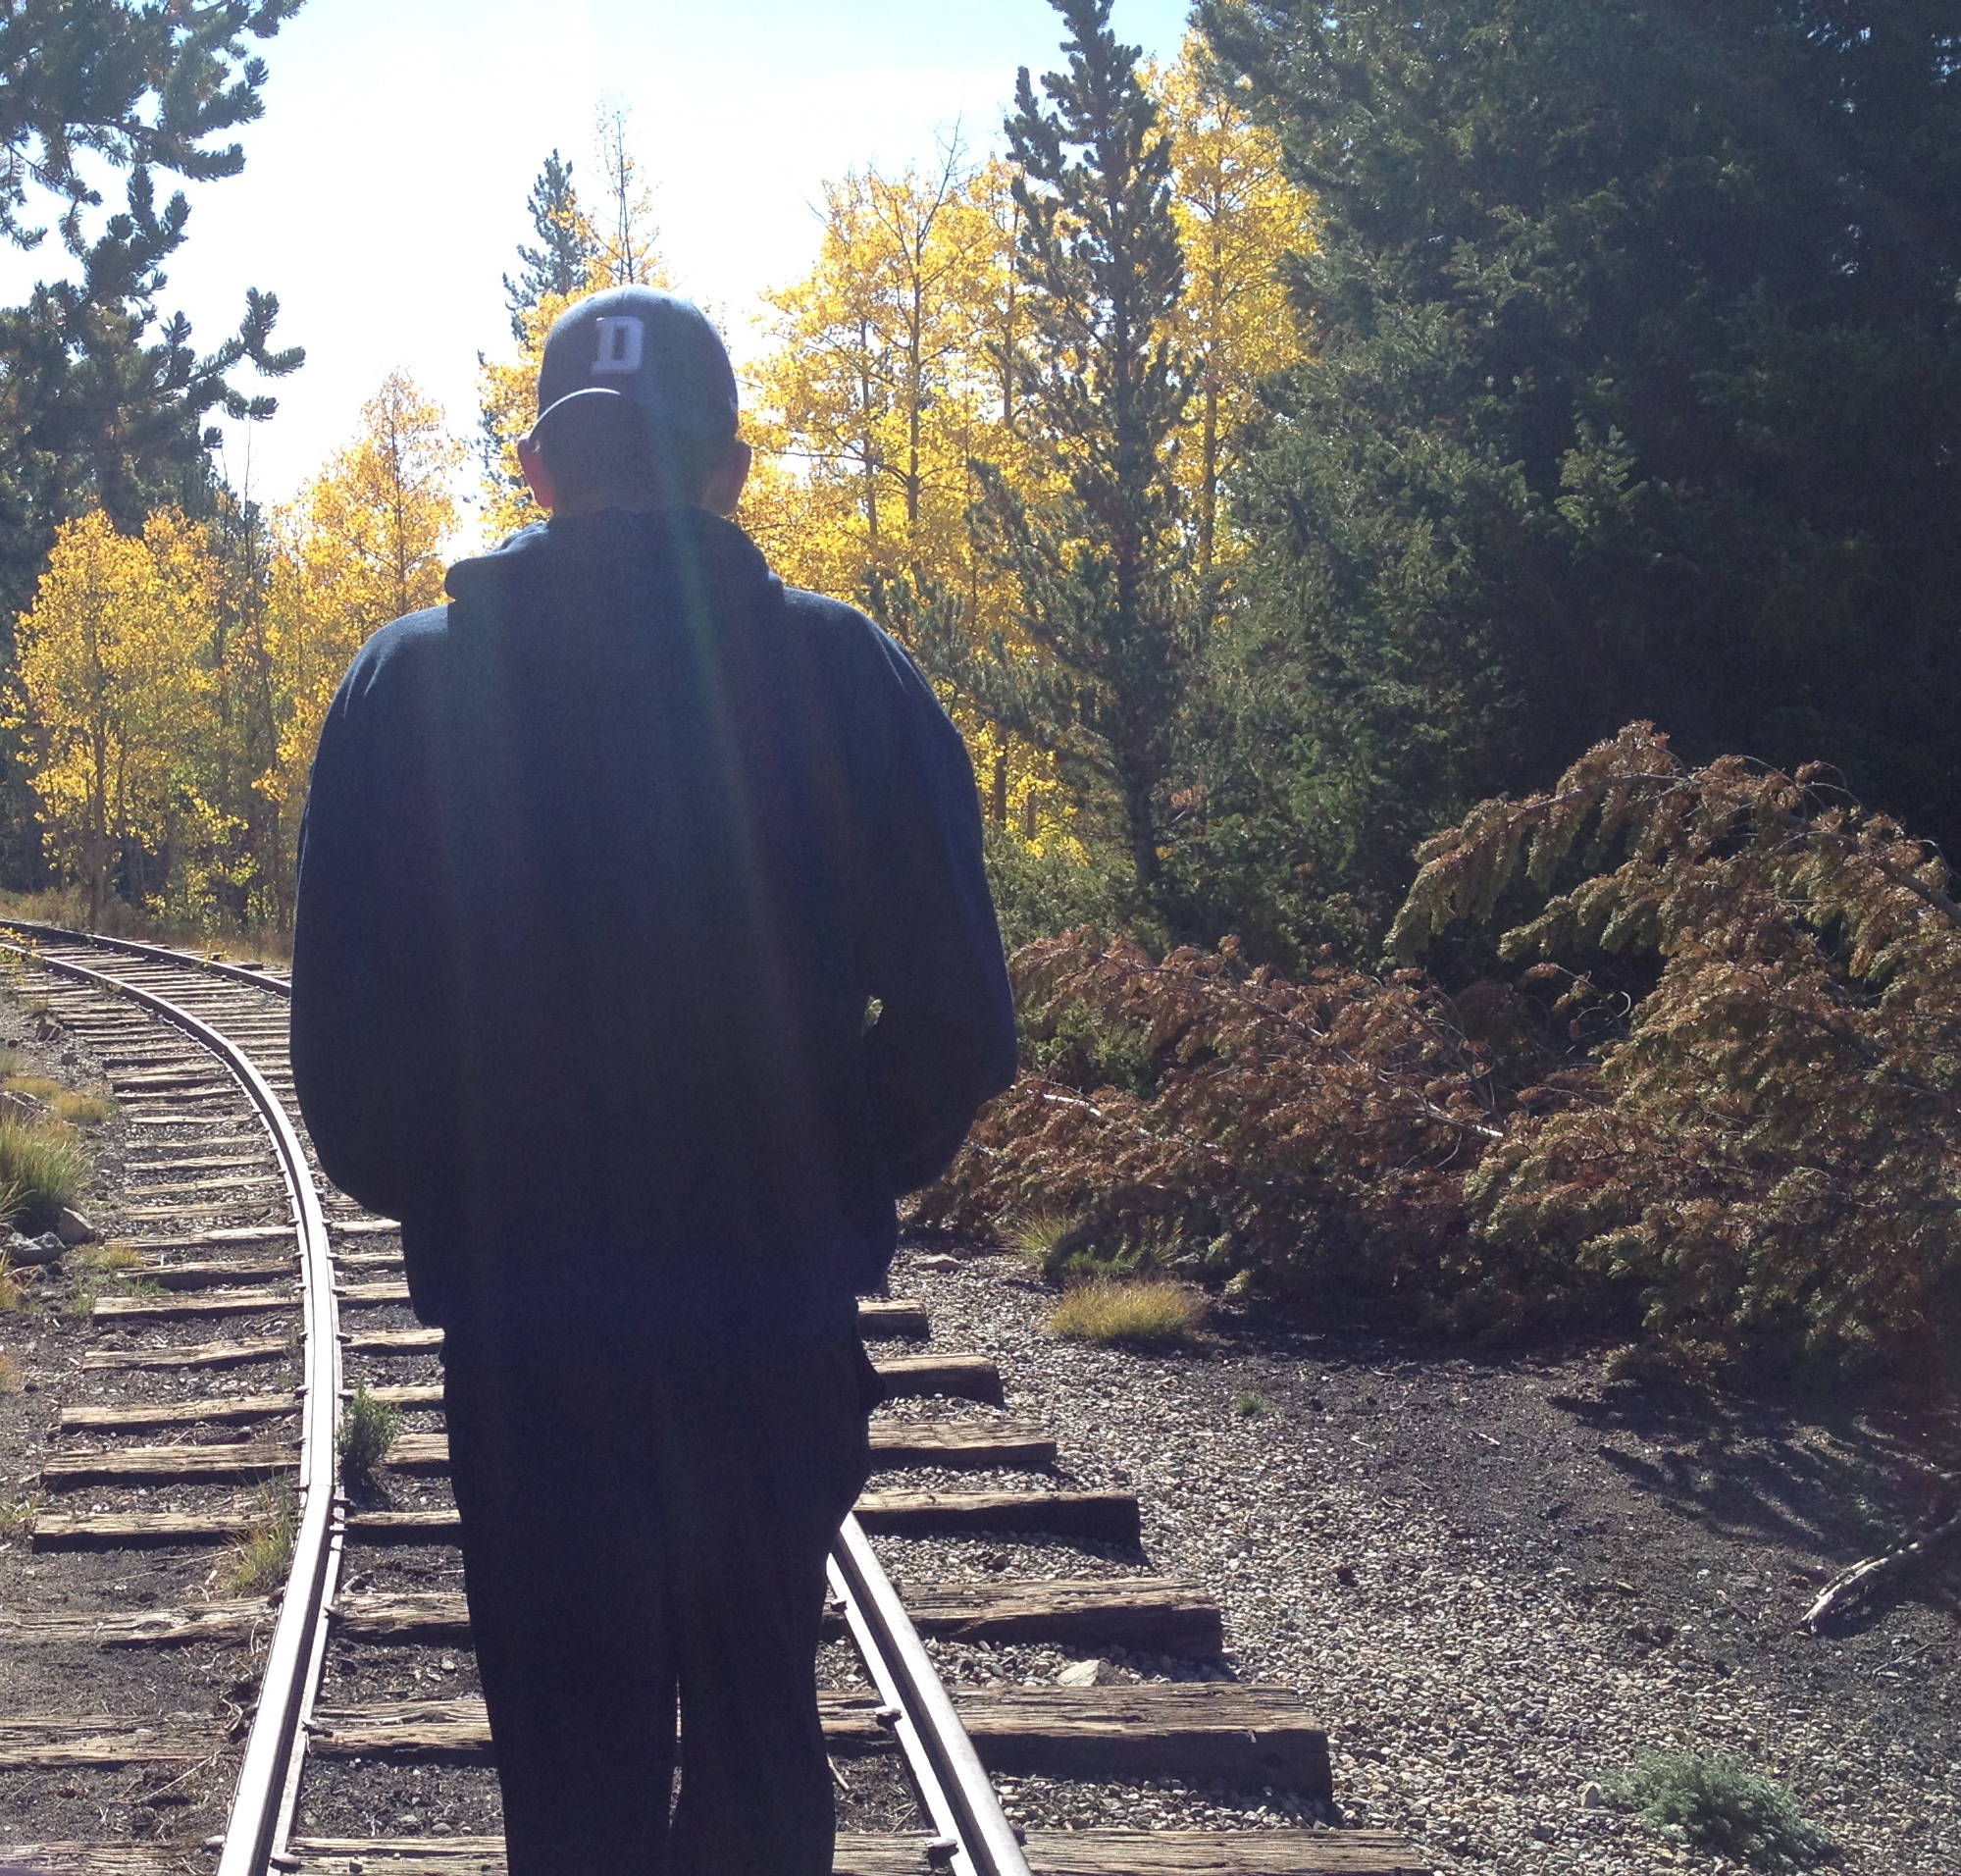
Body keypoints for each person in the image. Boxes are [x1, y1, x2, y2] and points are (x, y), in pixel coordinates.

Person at [288, 286, 1018, 1876]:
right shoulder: (845, 674)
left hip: (529, 1324)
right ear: (731, 471)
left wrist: (476, 1190)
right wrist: (828, 1165)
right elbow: (964, 1020)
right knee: (760, 1728)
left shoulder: (407, 687)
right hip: (767, 1312)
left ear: (539, 470)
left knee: (571, 1764)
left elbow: (345, 1071)